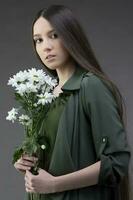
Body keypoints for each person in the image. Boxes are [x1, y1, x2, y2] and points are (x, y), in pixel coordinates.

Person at [14, 4, 130, 200]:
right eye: (38, 40)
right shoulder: (43, 95)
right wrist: (25, 163)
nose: (46, 46)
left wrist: (54, 185)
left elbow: (116, 162)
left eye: (54, 35)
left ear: (71, 36)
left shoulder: (91, 86)